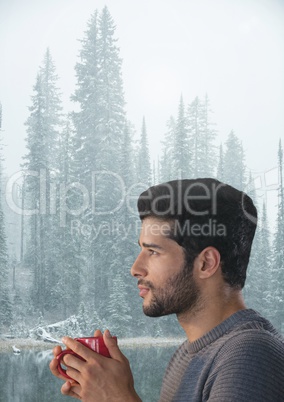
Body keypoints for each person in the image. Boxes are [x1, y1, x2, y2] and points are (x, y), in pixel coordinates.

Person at [50, 178, 284, 401]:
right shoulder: (188, 353)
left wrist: (119, 397)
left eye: (153, 252)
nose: (135, 268)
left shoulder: (251, 356)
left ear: (206, 263)